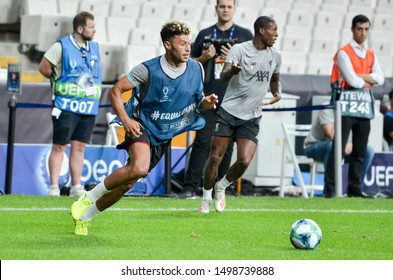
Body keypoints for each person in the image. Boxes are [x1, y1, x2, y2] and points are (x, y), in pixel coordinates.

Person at [70, 20, 219, 235]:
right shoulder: (148, 69)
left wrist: (205, 104)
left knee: (127, 184)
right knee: (139, 168)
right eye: (182, 43)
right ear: (167, 45)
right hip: (141, 125)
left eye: (189, 43)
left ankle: (85, 218)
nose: (188, 48)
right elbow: (115, 90)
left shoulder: (196, 69)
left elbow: (197, 103)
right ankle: (87, 197)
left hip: (165, 132)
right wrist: (127, 120)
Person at [197, 16, 281, 213]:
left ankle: (222, 185)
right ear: (261, 31)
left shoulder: (275, 56)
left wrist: (277, 92)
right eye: (273, 31)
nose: (276, 35)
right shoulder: (239, 50)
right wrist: (232, 71)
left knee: (244, 160)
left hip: (252, 115)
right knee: (215, 157)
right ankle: (206, 198)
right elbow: (224, 76)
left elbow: (275, 79)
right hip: (228, 112)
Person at [178, 0, 253, 198]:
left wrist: (235, 59)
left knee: (226, 146)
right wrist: (203, 57)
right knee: (202, 141)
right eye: (222, 6)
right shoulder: (204, 34)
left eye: (229, 6)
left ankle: (221, 188)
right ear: (216, 8)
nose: (225, 10)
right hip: (209, 96)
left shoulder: (245, 36)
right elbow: (187, 63)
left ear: (235, 9)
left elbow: (254, 68)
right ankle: (189, 187)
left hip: (233, 99)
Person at [38, 11, 102, 197]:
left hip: (88, 106)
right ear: (80, 28)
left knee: (79, 147)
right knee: (59, 146)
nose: (94, 30)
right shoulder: (62, 46)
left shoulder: (95, 48)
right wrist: (57, 80)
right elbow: (44, 67)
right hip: (65, 105)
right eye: (91, 27)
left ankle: (76, 187)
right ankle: (53, 187)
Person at [325, 14, 384, 198]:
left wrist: (360, 76)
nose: (363, 32)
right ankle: (331, 189)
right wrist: (367, 78)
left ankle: (354, 189)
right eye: (359, 28)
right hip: (345, 105)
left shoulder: (371, 53)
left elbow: (380, 78)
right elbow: (353, 81)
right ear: (352, 29)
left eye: (366, 29)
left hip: (364, 108)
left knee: (360, 150)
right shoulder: (344, 52)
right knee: (339, 148)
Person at [304, 108, 375, 185]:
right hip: (315, 145)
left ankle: (355, 188)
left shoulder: (355, 109)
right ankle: (330, 190)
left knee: (368, 151)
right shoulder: (328, 108)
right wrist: (344, 116)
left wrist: (350, 146)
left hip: (345, 147)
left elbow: (364, 138)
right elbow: (332, 135)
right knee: (333, 146)